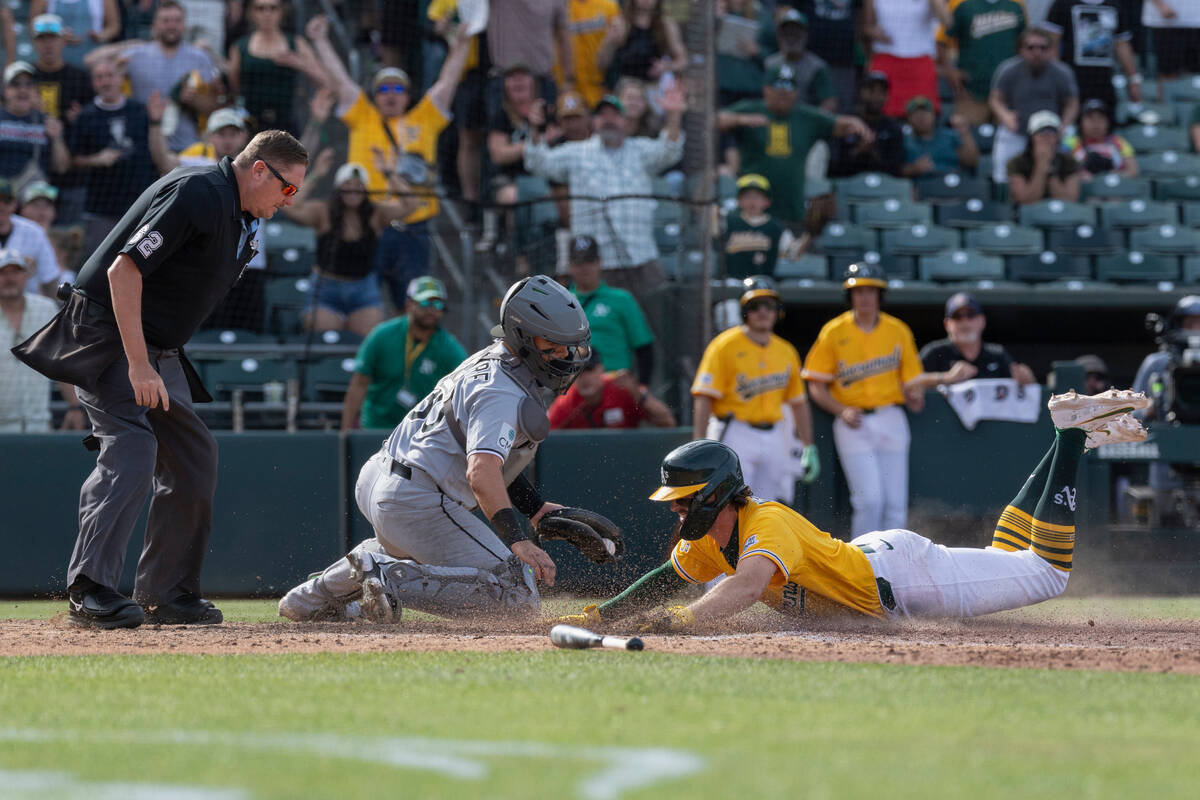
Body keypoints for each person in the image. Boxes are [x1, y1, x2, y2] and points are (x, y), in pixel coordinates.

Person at [13, 130, 309, 629]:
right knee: (132, 447)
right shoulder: (198, 191)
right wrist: (137, 363)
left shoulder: (239, 214)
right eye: (287, 189)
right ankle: (90, 588)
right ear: (259, 169)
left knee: (194, 456)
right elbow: (122, 271)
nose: (289, 201)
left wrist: (152, 358)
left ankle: (166, 593)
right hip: (110, 337)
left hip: (159, 349)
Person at [556, 392, 1150, 632]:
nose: (675, 512)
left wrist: (686, 621)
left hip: (911, 581)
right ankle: (1069, 436)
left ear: (713, 495)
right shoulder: (710, 538)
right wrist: (603, 615)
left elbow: (747, 586)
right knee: (1009, 555)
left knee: (1048, 572)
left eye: (682, 500)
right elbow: (667, 579)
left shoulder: (766, 524)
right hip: (881, 564)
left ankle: (1071, 439)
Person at [277, 275, 595, 623]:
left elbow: (489, 455)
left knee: (410, 552)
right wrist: (518, 540)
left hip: (384, 480)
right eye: (552, 343)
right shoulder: (502, 391)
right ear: (522, 336)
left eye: (568, 344)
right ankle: (386, 573)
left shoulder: (493, 359)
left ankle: (316, 598)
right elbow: (481, 472)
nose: (564, 354)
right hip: (418, 497)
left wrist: (534, 508)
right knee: (517, 597)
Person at [305, 14, 472, 307]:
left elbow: (447, 81)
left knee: (413, 303)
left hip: (415, 228)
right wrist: (320, 40)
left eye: (398, 88)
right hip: (371, 225)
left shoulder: (425, 118)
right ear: (375, 95)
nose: (391, 94)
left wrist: (461, 45)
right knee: (365, 300)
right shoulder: (363, 116)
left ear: (408, 95)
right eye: (384, 88)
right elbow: (341, 80)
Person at [524, 86, 687, 301]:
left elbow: (670, 150)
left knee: (655, 323)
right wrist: (535, 128)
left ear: (625, 122)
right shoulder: (578, 152)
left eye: (614, 114)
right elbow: (538, 162)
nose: (608, 119)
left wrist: (674, 117)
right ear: (594, 122)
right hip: (597, 262)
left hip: (640, 257)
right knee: (596, 326)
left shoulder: (640, 150)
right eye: (602, 115)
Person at [803, 262, 925, 536]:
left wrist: (914, 396)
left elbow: (912, 381)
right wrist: (839, 409)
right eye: (859, 291)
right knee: (869, 501)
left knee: (895, 505)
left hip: (891, 415)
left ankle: (896, 568)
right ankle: (864, 565)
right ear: (850, 295)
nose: (865, 297)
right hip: (853, 421)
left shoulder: (898, 330)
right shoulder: (834, 331)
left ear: (880, 294)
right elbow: (816, 384)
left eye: (871, 290)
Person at [693, 276, 819, 506]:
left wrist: (808, 444)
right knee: (730, 503)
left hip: (774, 435)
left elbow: (798, 402)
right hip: (734, 431)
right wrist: (699, 443)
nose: (763, 311)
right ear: (745, 311)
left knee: (766, 506)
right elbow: (704, 397)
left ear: (777, 311)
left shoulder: (785, 350)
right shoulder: (724, 345)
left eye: (769, 306)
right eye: (755, 306)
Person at [720, 64, 873, 223]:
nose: (783, 91)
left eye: (788, 86)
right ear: (766, 89)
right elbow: (715, 120)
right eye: (777, 85)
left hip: (791, 209)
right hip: (752, 210)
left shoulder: (805, 116)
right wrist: (740, 120)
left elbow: (838, 123)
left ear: (796, 92)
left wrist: (856, 123)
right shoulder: (751, 109)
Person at [281, 157, 417, 336]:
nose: (353, 189)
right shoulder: (323, 212)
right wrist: (316, 175)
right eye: (348, 184)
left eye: (359, 185)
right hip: (326, 289)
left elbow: (412, 204)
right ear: (339, 189)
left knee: (367, 340)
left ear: (366, 190)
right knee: (325, 339)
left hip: (363, 289)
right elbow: (289, 205)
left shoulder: (376, 214)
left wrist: (388, 174)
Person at [85, 2, 221, 151]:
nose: (171, 26)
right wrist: (129, 44)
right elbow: (90, 61)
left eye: (177, 21)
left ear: (184, 25)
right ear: (155, 24)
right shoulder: (138, 54)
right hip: (143, 145)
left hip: (187, 146)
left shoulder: (199, 57)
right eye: (165, 21)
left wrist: (194, 100)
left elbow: (214, 107)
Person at [340, 276, 468, 431]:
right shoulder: (382, 335)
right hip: (376, 427)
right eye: (425, 302)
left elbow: (465, 389)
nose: (432, 309)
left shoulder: (450, 348)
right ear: (409, 305)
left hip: (420, 434)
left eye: (438, 304)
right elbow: (359, 383)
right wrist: (345, 432)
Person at [69, 58, 157, 259]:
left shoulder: (140, 111)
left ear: (120, 79)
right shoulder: (86, 115)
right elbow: (73, 160)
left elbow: (154, 151)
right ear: (93, 83)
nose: (106, 81)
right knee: (99, 265)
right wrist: (96, 160)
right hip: (100, 209)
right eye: (99, 77)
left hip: (139, 207)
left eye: (110, 75)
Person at [0, 248, 85, 432]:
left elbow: (61, 359)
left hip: (38, 424)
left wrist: (74, 406)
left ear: (27, 276)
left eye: (16, 271)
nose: (9, 278)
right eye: (3, 272)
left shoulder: (45, 309)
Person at [989, 27, 1079, 186]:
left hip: (1051, 134)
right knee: (1002, 174)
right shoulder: (1008, 70)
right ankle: (1002, 196)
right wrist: (1005, 116)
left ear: (1051, 50)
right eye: (1031, 47)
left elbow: (1072, 103)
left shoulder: (1062, 72)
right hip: (1017, 130)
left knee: (1069, 154)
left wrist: (1064, 124)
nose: (1037, 52)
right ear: (1021, 49)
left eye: (1043, 48)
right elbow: (995, 99)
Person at [564, 234, 655, 384]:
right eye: (579, 262)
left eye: (590, 261)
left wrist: (642, 388)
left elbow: (644, 348)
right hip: (576, 387)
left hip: (615, 385)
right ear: (569, 266)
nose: (585, 267)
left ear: (599, 262)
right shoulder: (560, 301)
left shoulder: (622, 299)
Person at [30, 13, 94, 225]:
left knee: (69, 243)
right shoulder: (24, 78)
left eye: (53, 38)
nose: (48, 44)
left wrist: (80, 120)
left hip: (71, 177)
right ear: (34, 43)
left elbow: (94, 126)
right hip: (30, 173)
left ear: (63, 40)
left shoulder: (80, 78)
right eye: (42, 39)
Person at [226, 0, 322, 135]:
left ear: (282, 11)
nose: (267, 13)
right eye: (260, 8)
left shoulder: (296, 43)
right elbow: (234, 86)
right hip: (249, 125)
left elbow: (324, 80)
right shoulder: (239, 46)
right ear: (252, 13)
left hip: (286, 123)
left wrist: (300, 64)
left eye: (273, 8)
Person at [937, 0, 1025, 125]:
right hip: (971, 89)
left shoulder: (1016, 4)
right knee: (966, 134)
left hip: (1007, 92)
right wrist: (950, 71)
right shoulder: (959, 3)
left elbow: (1025, 41)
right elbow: (941, 42)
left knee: (1009, 136)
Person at [920, 292, 1036, 385]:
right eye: (957, 316)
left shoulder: (997, 354)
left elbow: (1024, 384)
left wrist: (1026, 380)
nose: (964, 322)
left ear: (982, 321)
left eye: (971, 315)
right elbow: (911, 380)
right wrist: (946, 378)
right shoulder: (934, 352)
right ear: (947, 324)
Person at [1044, 0, 1141, 109]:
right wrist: (1058, 79)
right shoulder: (1063, 3)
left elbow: (1122, 44)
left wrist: (1134, 79)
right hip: (1073, 81)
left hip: (1104, 82)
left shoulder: (1115, 4)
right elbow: (1051, 45)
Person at [548, 347, 676, 428]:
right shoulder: (567, 400)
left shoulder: (622, 389)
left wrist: (638, 395)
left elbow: (667, 422)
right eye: (577, 371)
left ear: (601, 369)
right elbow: (546, 437)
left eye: (589, 369)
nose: (584, 377)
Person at [862, 0, 950, 118]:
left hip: (919, 61)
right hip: (887, 58)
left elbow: (947, 21)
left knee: (923, 115)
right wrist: (875, 33)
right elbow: (867, 28)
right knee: (882, 111)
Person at [719, 173, 805, 279]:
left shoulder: (776, 227)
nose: (752, 201)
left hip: (763, 283)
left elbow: (793, 254)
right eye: (747, 197)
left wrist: (810, 235)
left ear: (767, 201)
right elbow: (706, 220)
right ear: (739, 201)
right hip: (731, 281)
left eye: (757, 197)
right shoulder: (728, 221)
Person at [0, 61, 71, 184]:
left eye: (29, 84)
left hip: (33, 192)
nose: (23, 90)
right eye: (15, 84)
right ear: (5, 90)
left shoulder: (48, 121)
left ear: (35, 90)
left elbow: (61, 168)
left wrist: (56, 139)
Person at [828, 69, 905, 178]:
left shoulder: (893, 128)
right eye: (871, 91)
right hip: (847, 186)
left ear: (887, 96)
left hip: (884, 189)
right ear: (861, 92)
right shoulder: (845, 122)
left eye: (881, 92)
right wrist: (857, 151)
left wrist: (874, 152)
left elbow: (897, 170)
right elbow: (833, 167)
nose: (876, 97)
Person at [762, 9, 837, 112]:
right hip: (775, 119)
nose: (791, 37)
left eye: (796, 33)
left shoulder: (817, 67)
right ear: (779, 35)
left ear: (806, 35)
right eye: (787, 32)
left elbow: (829, 102)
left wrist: (815, 123)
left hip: (806, 120)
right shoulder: (769, 63)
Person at [598, 0, 687, 84]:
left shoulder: (666, 25)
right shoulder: (621, 23)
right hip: (624, 87)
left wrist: (666, 67)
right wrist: (609, 43)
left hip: (651, 88)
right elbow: (601, 63)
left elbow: (682, 61)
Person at [0, 177, 62, 298]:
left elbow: (49, 279)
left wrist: (57, 311)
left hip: (27, 305)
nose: (1, 206)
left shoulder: (34, 232)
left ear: (14, 204)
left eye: (6, 200)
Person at [1007, 110, 1081, 205]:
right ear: (1032, 137)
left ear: (1057, 138)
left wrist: (1050, 170)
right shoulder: (1016, 163)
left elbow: (1070, 201)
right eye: (1041, 132)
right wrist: (1041, 167)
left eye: (1051, 132)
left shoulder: (1069, 161)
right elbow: (1026, 201)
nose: (1046, 137)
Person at [901, 95, 979, 178]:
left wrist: (965, 133)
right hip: (923, 185)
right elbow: (895, 171)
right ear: (908, 119)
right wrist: (914, 169)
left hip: (952, 181)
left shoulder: (950, 135)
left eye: (925, 112)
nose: (921, 117)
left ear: (934, 115)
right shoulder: (903, 141)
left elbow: (971, 161)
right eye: (916, 113)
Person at [563, 0, 622, 107]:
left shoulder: (609, 6)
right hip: (569, 87)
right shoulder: (562, 6)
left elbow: (618, 44)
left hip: (600, 86)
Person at [29, 0, 120, 68]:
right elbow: (33, 25)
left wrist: (101, 35)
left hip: (93, 61)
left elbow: (114, 26)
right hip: (58, 64)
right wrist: (58, 34)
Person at [1063, 99, 1137, 179]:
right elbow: (1062, 168)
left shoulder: (1119, 142)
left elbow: (1133, 171)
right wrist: (1079, 176)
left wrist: (1114, 176)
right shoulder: (1069, 143)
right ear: (1081, 121)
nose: (1096, 123)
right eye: (1090, 118)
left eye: (1100, 118)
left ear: (1108, 122)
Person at [1143, 1, 1200, 99]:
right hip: (1167, 22)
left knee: (1194, 75)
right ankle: (1166, 110)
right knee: (1168, 73)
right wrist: (1161, 5)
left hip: (1196, 21)